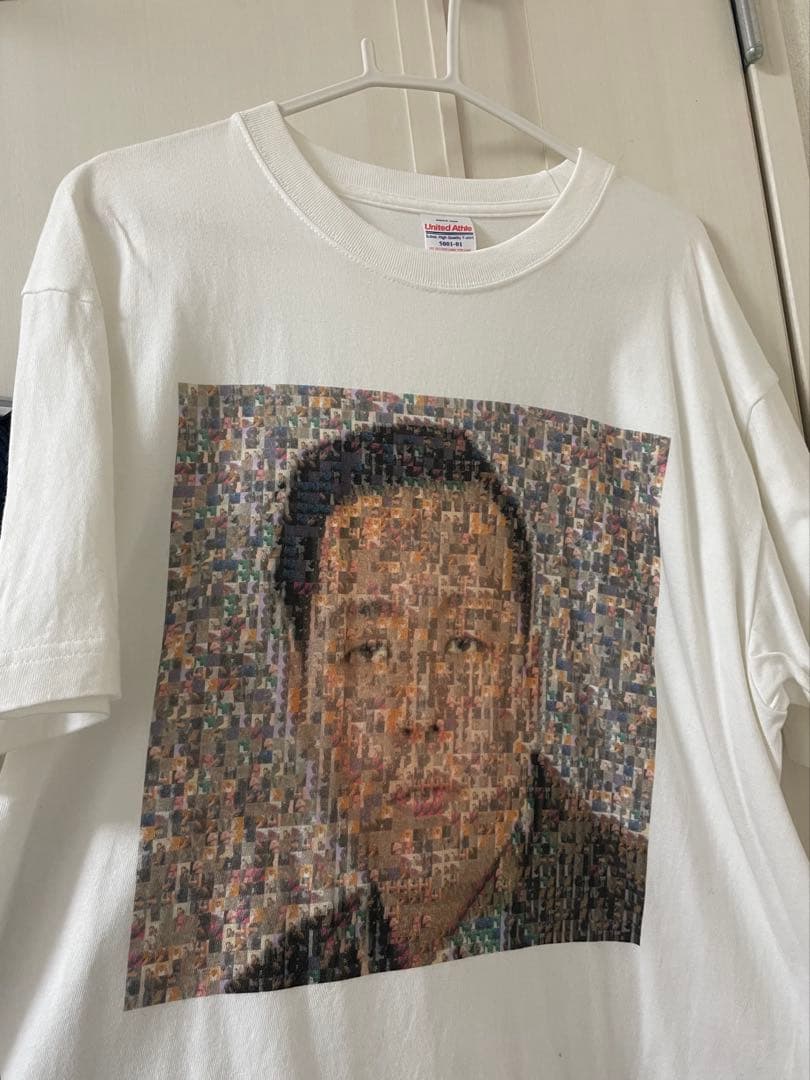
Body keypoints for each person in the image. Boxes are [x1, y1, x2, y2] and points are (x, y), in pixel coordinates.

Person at [226, 422, 647, 994]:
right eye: (369, 651)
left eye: (465, 644)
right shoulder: (277, 988)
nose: (420, 712)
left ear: (528, 682)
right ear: (301, 695)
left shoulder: (650, 910)